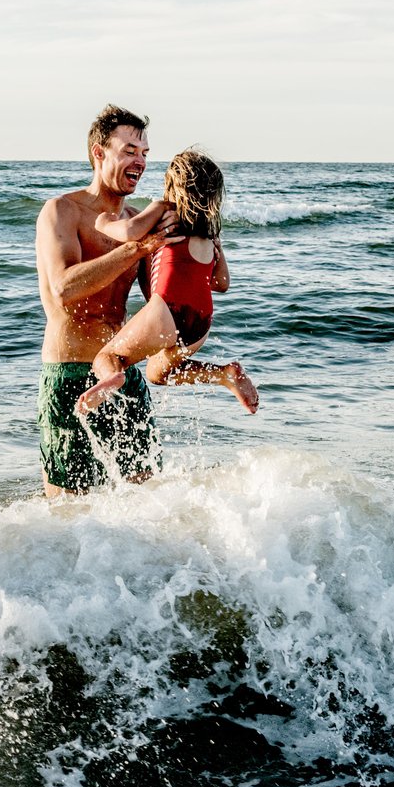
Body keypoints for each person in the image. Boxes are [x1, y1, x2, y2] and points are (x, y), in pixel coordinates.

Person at [35, 105, 178, 496]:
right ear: (99, 153)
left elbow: (160, 303)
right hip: (70, 375)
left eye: (144, 153)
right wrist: (135, 249)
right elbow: (64, 287)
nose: (140, 161)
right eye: (129, 151)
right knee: (67, 512)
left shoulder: (139, 221)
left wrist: (196, 242)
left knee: (148, 501)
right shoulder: (63, 211)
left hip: (123, 374)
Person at [76, 149, 258, 419]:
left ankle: (112, 377)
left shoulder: (164, 210)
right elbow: (221, 284)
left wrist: (103, 223)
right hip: (201, 320)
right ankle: (224, 374)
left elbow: (129, 231)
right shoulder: (210, 234)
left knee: (108, 358)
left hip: (166, 309)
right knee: (158, 373)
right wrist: (218, 250)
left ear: (173, 185)